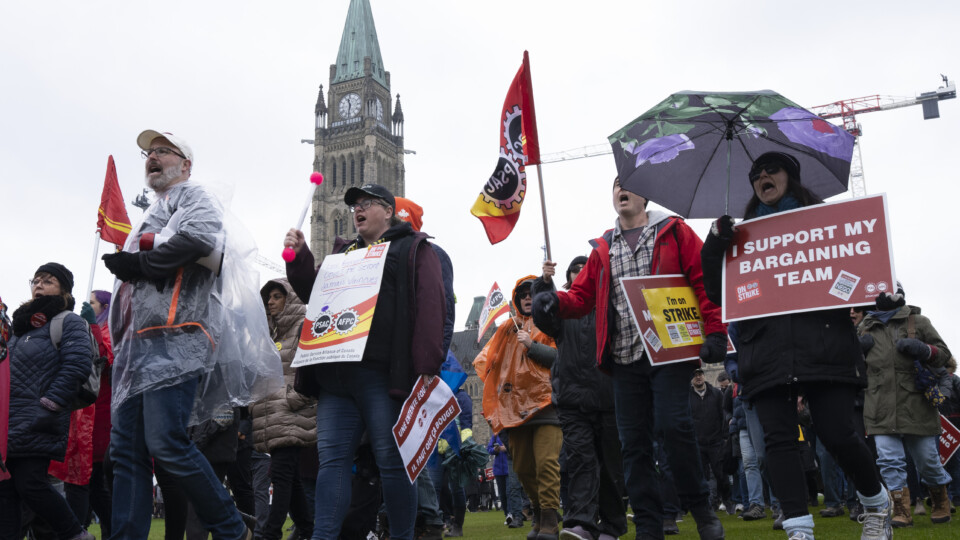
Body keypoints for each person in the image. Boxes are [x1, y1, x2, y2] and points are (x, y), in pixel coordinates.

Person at [701, 151, 890, 540]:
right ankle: (798, 527)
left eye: (771, 169)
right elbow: (717, 292)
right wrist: (715, 244)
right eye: (755, 173)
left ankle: (876, 503)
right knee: (776, 444)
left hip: (824, 340)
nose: (762, 176)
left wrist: (883, 293)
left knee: (838, 433)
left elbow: (858, 266)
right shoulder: (738, 236)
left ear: (791, 176)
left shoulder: (825, 222)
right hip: (765, 349)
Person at [533, 177, 727, 540]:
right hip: (624, 359)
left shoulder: (674, 231)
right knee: (633, 447)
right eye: (615, 186)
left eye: (629, 185)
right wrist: (554, 301)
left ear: (645, 196)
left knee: (674, 427)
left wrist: (716, 331)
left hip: (668, 353)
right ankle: (649, 525)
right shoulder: (604, 247)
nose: (621, 190)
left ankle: (701, 510)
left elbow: (703, 280)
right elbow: (581, 297)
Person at [102, 130, 252, 540]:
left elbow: (202, 239)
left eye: (162, 151)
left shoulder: (194, 196)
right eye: (148, 153)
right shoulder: (155, 209)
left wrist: (142, 264)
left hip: (175, 338)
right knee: (126, 453)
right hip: (136, 348)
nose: (152, 157)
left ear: (185, 165)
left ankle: (230, 527)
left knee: (166, 441)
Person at [283, 183, 446, 540]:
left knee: (392, 462)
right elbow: (317, 295)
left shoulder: (415, 249)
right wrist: (300, 258)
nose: (358, 209)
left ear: (388, 211)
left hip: (381, 375)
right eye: (355, 204)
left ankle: (403, 534)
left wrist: (425, 369)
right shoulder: (344, 254)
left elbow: (432, 308)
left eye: (367, 203)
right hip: (335, 377)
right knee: (332, 464)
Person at [533, 256, 627, 540]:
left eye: (584, 271)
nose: (578, 275)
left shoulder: (613, 304)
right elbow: (543, 314)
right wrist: (544, 285)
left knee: (610, 466)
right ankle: (581, 523)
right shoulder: (562, 310)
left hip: (609, 396)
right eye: (574, 272)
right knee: (580, 461)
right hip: (573, 398)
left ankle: (612, 525)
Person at [0, 263, 96, 540]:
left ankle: (75, 534)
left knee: (30, 484)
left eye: (48, 280)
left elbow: (77, 364)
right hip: (9, 423)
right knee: (6, 490)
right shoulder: (18, 329)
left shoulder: (68, 321)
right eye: (36, 280)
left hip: (40, 416)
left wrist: (51, 403)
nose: (39, 285)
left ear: (63, 289)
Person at [859, 283, 953, 526]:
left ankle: (940, 499)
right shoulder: (865, 327)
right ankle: (901, 510)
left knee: (927, 462)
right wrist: (857, 353)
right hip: (879, 406)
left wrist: (924, 349)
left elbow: (944, 354)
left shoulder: (919, 322)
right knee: (889, 461)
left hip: (916, 405)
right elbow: (852, 370)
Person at [474, 276, 560, 540]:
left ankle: (549, 520)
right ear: (516, 299)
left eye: (532, 292)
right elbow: (485, 363)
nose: (527, 297)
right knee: (523, 469)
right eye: (522, 293)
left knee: (546, 463)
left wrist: (531, 345)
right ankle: (537, 512)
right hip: (516, 412)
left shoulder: (553, 325)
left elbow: (561, 358)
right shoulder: (506, 329)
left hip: (547, 407)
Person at [250, 279, 315, 540]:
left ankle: (270, 533)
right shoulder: (268, 334)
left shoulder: (303, 327)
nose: (270, 302)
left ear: (291, 300)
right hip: (273, 414)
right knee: (290, 478)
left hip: (291, 414)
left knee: (281, 474)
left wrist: (295, 398)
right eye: (269, 298)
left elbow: (312, 369)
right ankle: (308, 531)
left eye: (277, 296)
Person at [689, 368, 733, 514]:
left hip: (716, 441)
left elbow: (723, 415)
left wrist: (724, 437)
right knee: (702, 476)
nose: (698, 377)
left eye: (700, 374)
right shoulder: (687, 396)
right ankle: (709, 504)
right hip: (697, 442)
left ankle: (727, 501)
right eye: (695, 375)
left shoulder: (716, 393)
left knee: (721, 474)